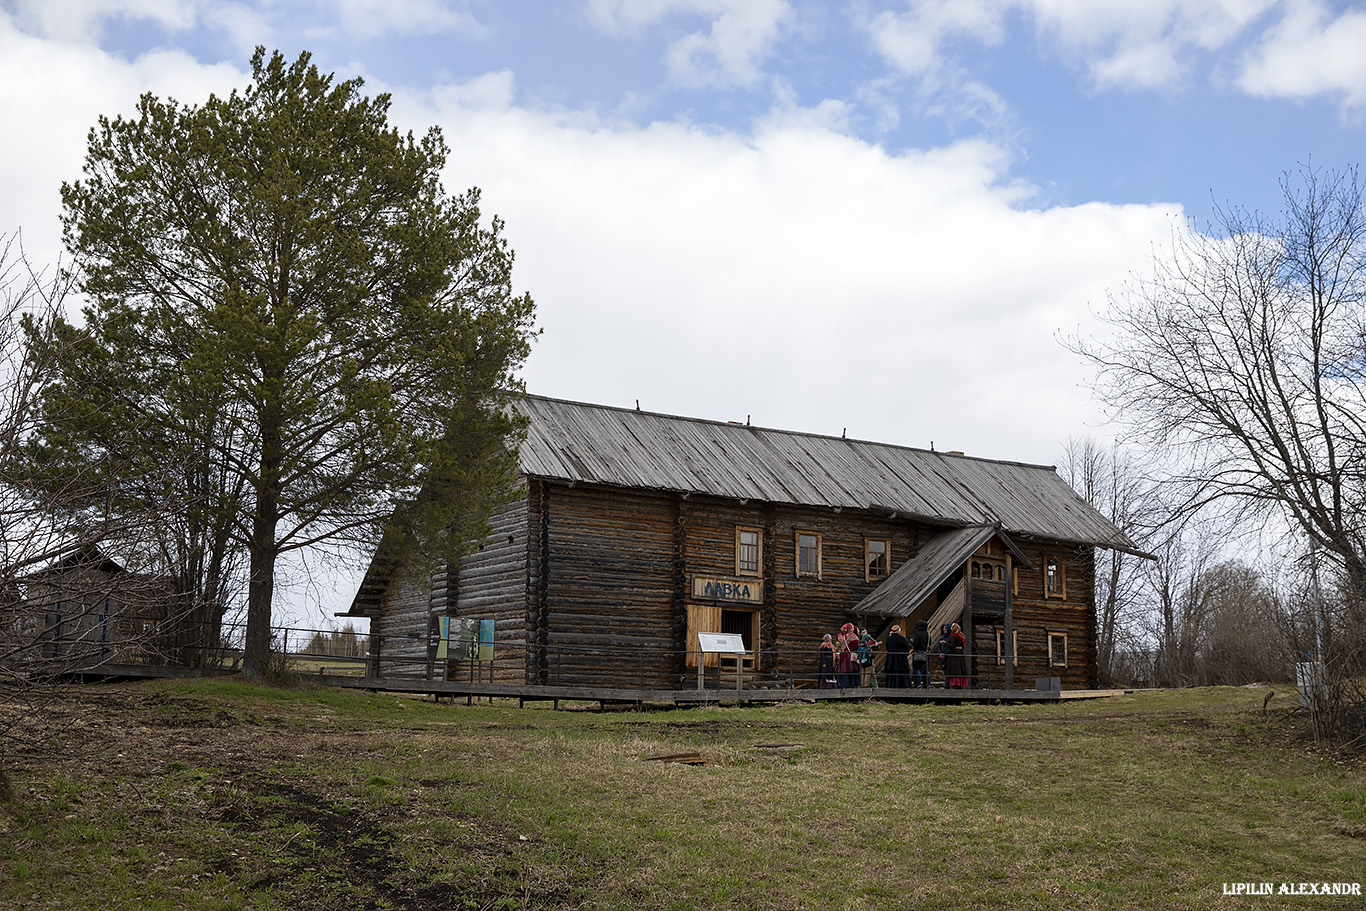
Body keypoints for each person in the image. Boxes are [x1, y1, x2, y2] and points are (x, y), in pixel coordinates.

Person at [836, 622, 859, 687]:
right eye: (851, 627)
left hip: (843, 655)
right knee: (851, 669)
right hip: (849, 655)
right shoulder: (852, 636)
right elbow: (857, 645)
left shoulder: (844, 636)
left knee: (844, 670)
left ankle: (844, 684)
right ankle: (852, 683)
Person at [947, 621, 968, 689]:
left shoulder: (955, 636)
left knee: (955, 669)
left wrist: (945, 644)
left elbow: (952, 646)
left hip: (955, 654)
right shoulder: (961, 635)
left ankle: (956, 684)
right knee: (960, 669)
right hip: (960, 653)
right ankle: (960, 684)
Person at [911, 619, 930, 689]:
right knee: (926, 670)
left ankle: (918, 684)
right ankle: (928, 684)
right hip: (925, 654)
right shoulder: (928, 634)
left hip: (918, 654)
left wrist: (911, 642)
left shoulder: (918, 634)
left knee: (917, 669)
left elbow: (915, 644)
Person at [935, 623, 952, 688]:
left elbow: (951, 647)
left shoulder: (950, 637)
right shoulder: (942, 637)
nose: (944, 629)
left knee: (949, 672)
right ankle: (947, 686)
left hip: (948, 657)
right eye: (943, 628)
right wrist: (940, 653)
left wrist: (945, 654)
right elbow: (939, 647)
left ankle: (948, 686)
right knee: (945, 672)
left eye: (946, 628)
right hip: (943, 657)